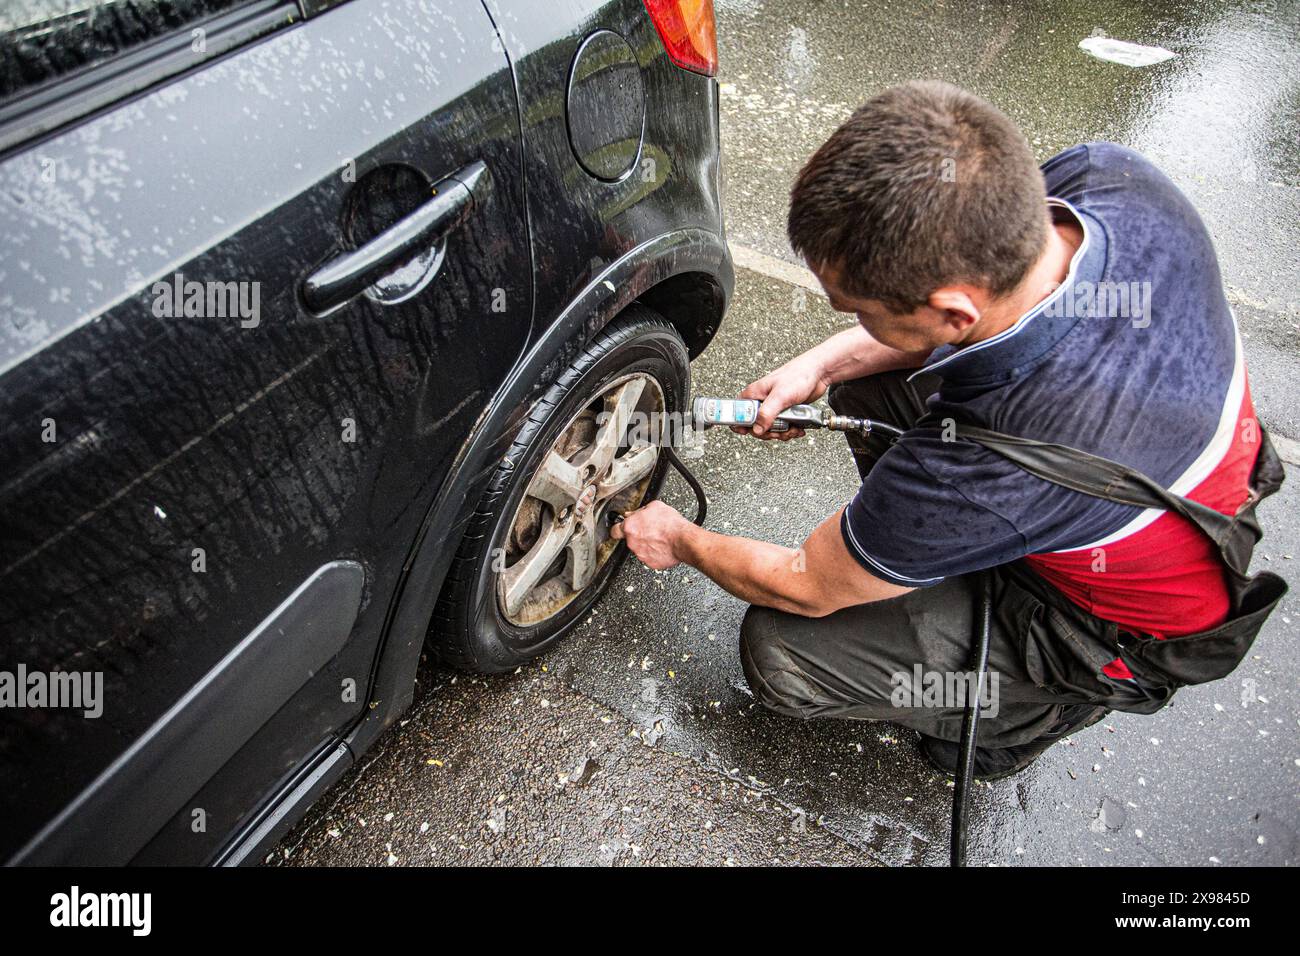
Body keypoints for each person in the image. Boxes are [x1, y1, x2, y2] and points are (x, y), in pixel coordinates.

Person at [610, 80, 1286, 779]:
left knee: (780, 650)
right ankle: (924, 550)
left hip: (1112, 627)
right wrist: (817, 365)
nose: (852, 322)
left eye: (859, 311)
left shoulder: (990, 466)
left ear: (955, 313)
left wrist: (681, 539)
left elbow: (802, 583)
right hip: (1134, 479)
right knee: (869, 384)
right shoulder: (1111, 180)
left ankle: (1030, 709)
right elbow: (981, 311)